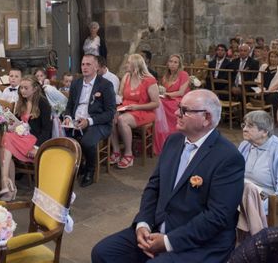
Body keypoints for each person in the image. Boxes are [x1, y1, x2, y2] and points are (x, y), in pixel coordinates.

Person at [92, 89, 245, 262]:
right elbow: (153, 187)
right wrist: (143, 224)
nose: (175, 113)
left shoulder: (228, 157)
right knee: (103, 252)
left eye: (184, 110)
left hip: (199, 242)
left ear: (207, 118)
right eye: (179, 107)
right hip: (158, 227)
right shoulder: (174, 141)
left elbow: (217, 216)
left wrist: (168, 241)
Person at [63, 54, 116, 187]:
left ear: (96, 67)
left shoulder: (105, 85)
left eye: (88, 64)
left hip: (98, 123)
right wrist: (68, 118)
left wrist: (89, 121)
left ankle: (90, 169)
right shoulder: (76, 83)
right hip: (76, 121)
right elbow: (69, 106)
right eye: (83, 64)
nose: (84, 67)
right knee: (61, 135)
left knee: (87, 141)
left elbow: (110, 113)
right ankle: (77, 165)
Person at [0, 76, 52, 201]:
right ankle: (8, 186)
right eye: (21, 88)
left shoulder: (43, 104)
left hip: (34, 140)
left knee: (5, 142)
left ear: (34, 89)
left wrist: (36, 147)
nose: (22, 91)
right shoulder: (21, 102)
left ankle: (6, 186)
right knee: (5, 146)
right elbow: (18, 123)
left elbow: (46, 130)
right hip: (20, 137)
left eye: (26, 88)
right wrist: (9, 118)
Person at [239, 111, 278, 208]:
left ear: (264, 132)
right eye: (244, 125)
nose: (244, 129)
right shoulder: (245, 145)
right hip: (244, 195)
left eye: (250, 126)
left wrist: (257, 209)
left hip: (266, 202)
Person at [109, 54, 160, 169]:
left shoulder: (149, 80)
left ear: (135, 65)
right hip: (127, 108)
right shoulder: (126, 77)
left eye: (128, 62)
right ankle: (116, 151)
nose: (126, 64)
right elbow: (121, 96)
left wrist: (136, 107)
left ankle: (128, 154)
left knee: (122, 120)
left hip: (144, 110)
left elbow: (156, 103)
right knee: (110, 116)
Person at [154, 54, 190, 154]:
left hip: (180, 99)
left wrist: (166, 94)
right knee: (157, 103)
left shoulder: (183, 74)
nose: (173, 64)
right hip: (167, 98)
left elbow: (181, 92)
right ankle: (161, 136)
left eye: (175, 62)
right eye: (171, 61)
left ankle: (171, 134)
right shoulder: (166, 75)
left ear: (179, 64)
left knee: (162, 105)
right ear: (167, 63)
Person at [255, 49, 278, 118]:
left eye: (275, 57)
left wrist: (268, 91)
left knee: (273, 97)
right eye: (271, 56)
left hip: (275, 91)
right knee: (254, 95)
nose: (273, 59)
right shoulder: (264, 66)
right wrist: (262, 89)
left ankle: (275, 119)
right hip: (262, 90)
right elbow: (258, 80)